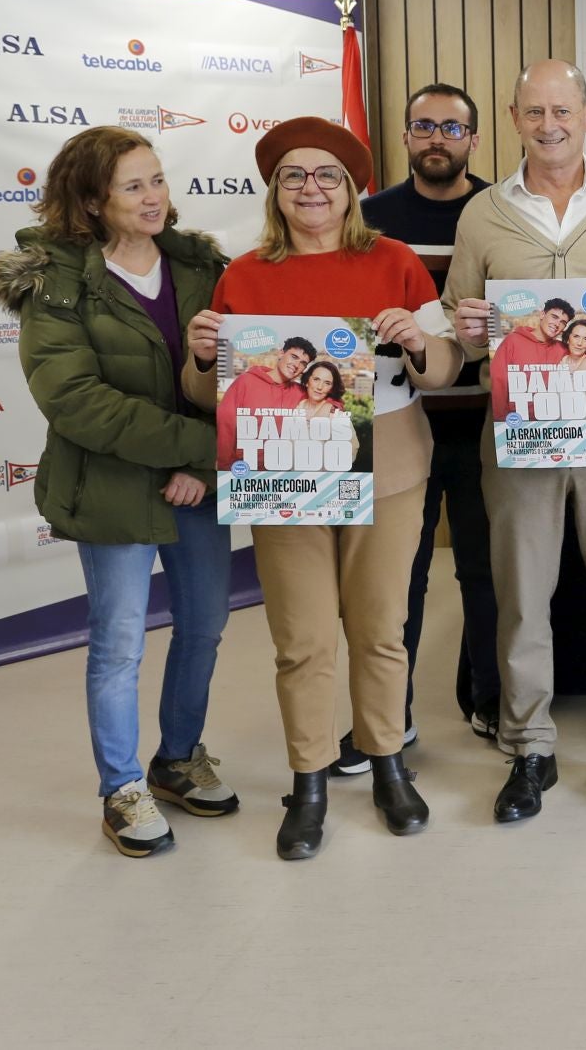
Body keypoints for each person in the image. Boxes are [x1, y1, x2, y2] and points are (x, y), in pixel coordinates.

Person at [184, 118, 457, 859]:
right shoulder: (244, 274)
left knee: (379, 628)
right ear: (276, 190)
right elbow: (211, 395)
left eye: (327, 174)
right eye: (296, 175)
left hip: (390, 468)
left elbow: (443, 371)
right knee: (301, 638)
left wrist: (419, 339)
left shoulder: (396, 260)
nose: (312, 187)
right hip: (285, 472)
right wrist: (203, 354)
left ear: (351, 189)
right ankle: (307, 780)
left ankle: (385, 766)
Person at [0, 128, 236, 858]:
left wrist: (204, 464)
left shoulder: (198, 266)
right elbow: (76, 401)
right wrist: (195, 446)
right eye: (134, 186)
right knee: (120, 639)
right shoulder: (55, 280)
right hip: (111, 486)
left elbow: (231, 373)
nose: (154, 196)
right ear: (92, 199)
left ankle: (178, 757)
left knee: (206, 622)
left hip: (197, 482)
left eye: (157, 179)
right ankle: (121, 786)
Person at [443, 60, 586, 823]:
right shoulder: (482, 213)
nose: (549, 124)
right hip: (517, 435)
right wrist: (467, 329)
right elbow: (456, 320)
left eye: (563, 109)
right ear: (514, 117)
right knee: (521, 594)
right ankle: (530, 745)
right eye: (534, 110)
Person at [355, 83, 500, 772]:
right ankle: (392, 715)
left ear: (473, 138)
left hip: (486, 420)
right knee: (398, 577)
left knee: (484, 570)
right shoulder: (367, 218)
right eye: (423, 125)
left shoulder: (502, 210)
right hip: (398, 423)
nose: (436, 137)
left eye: (452, 126)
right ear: (406, 135)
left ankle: (489, 698)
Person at [213, 335, 310, 467]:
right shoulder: (245, 382)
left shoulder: (301, 392)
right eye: (294, 357)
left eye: (303, 363)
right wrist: (224, 469)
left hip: (284, 472)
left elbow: (331, 399)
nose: (297, 365)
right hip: (244, 471)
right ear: (281, 353)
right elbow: (226, 426)